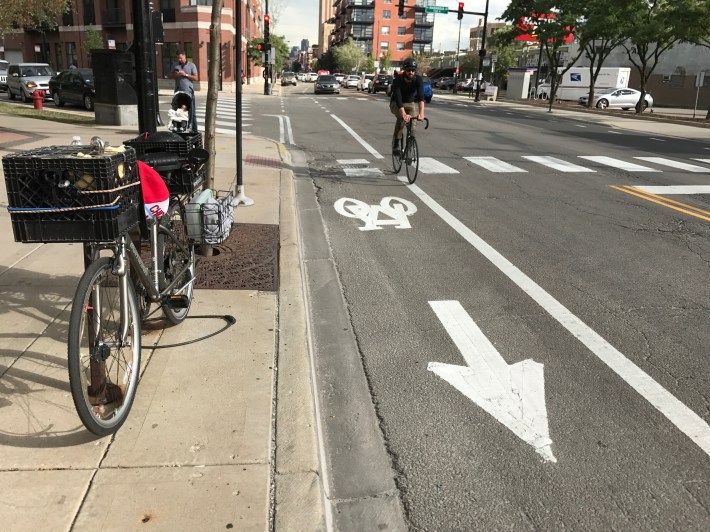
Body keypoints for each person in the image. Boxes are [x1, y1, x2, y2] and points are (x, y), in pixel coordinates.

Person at [389, 58, 425, 155]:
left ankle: (410, 144)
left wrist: (421, 114)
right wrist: (404, 114)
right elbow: (398, 98)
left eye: (413, 70)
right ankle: (396, 143)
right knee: (402, 119)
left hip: (410, 103)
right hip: (396, 103)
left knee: (413, 124)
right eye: (409, 70)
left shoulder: (418, 80)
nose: (411, 72)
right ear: (405, 70)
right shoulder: (398, 80)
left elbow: (421, 98)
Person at [171, 50, 199, 132]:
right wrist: (175, 74)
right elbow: (170, 75)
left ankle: (194, 130)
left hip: (188, 92)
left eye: (180, 58)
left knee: (192, 112)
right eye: (178, 58)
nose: (179, 60)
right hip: (178, 93)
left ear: (184, 56)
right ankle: (179, 129)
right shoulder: (175, 65)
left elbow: (196, 78)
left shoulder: (191, 65)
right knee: (178, 112)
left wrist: (185, 74)